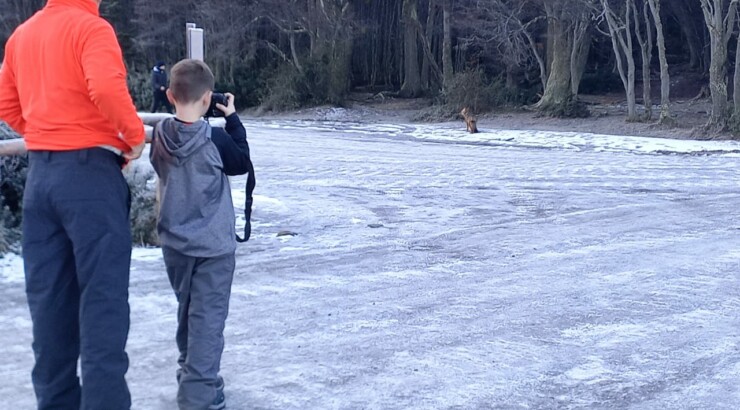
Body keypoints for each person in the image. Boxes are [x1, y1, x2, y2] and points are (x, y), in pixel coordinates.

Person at [0, 0, 145, 408]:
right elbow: (104, 88)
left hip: (41, 179)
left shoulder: (22, 34)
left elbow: (6, 103)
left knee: (50, 307)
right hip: (91, 179)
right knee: (103, 306)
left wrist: (48, 133)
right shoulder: (91, 29)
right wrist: (133, 137)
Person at [149, 59, 251, 410]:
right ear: (209, 99)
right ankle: (197, 397)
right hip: (212, 249)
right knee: (207, 322)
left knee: (189, 312)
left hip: (175, 245)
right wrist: (233, 118)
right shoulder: (216, 138)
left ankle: (196, 378)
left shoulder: (160, 135)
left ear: (168, 95)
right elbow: (241, 162)